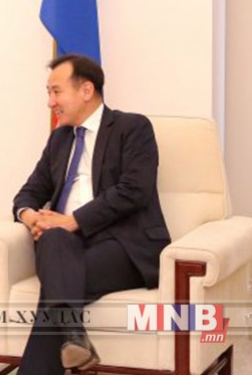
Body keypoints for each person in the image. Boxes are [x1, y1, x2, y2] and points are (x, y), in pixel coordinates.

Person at [12, 54, 171, 374]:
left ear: (86, 90)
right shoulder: (59, 139)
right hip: (65, 245)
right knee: (54, 241)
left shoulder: (132, 127)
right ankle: (74, 338)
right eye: (48, 93)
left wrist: (73, 220)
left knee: (57, 282)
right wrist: (32, 218)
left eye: (56, 91)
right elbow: (28, 193)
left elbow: (135, 190)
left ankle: (72, 337)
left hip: (123, 246)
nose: (50, 102)